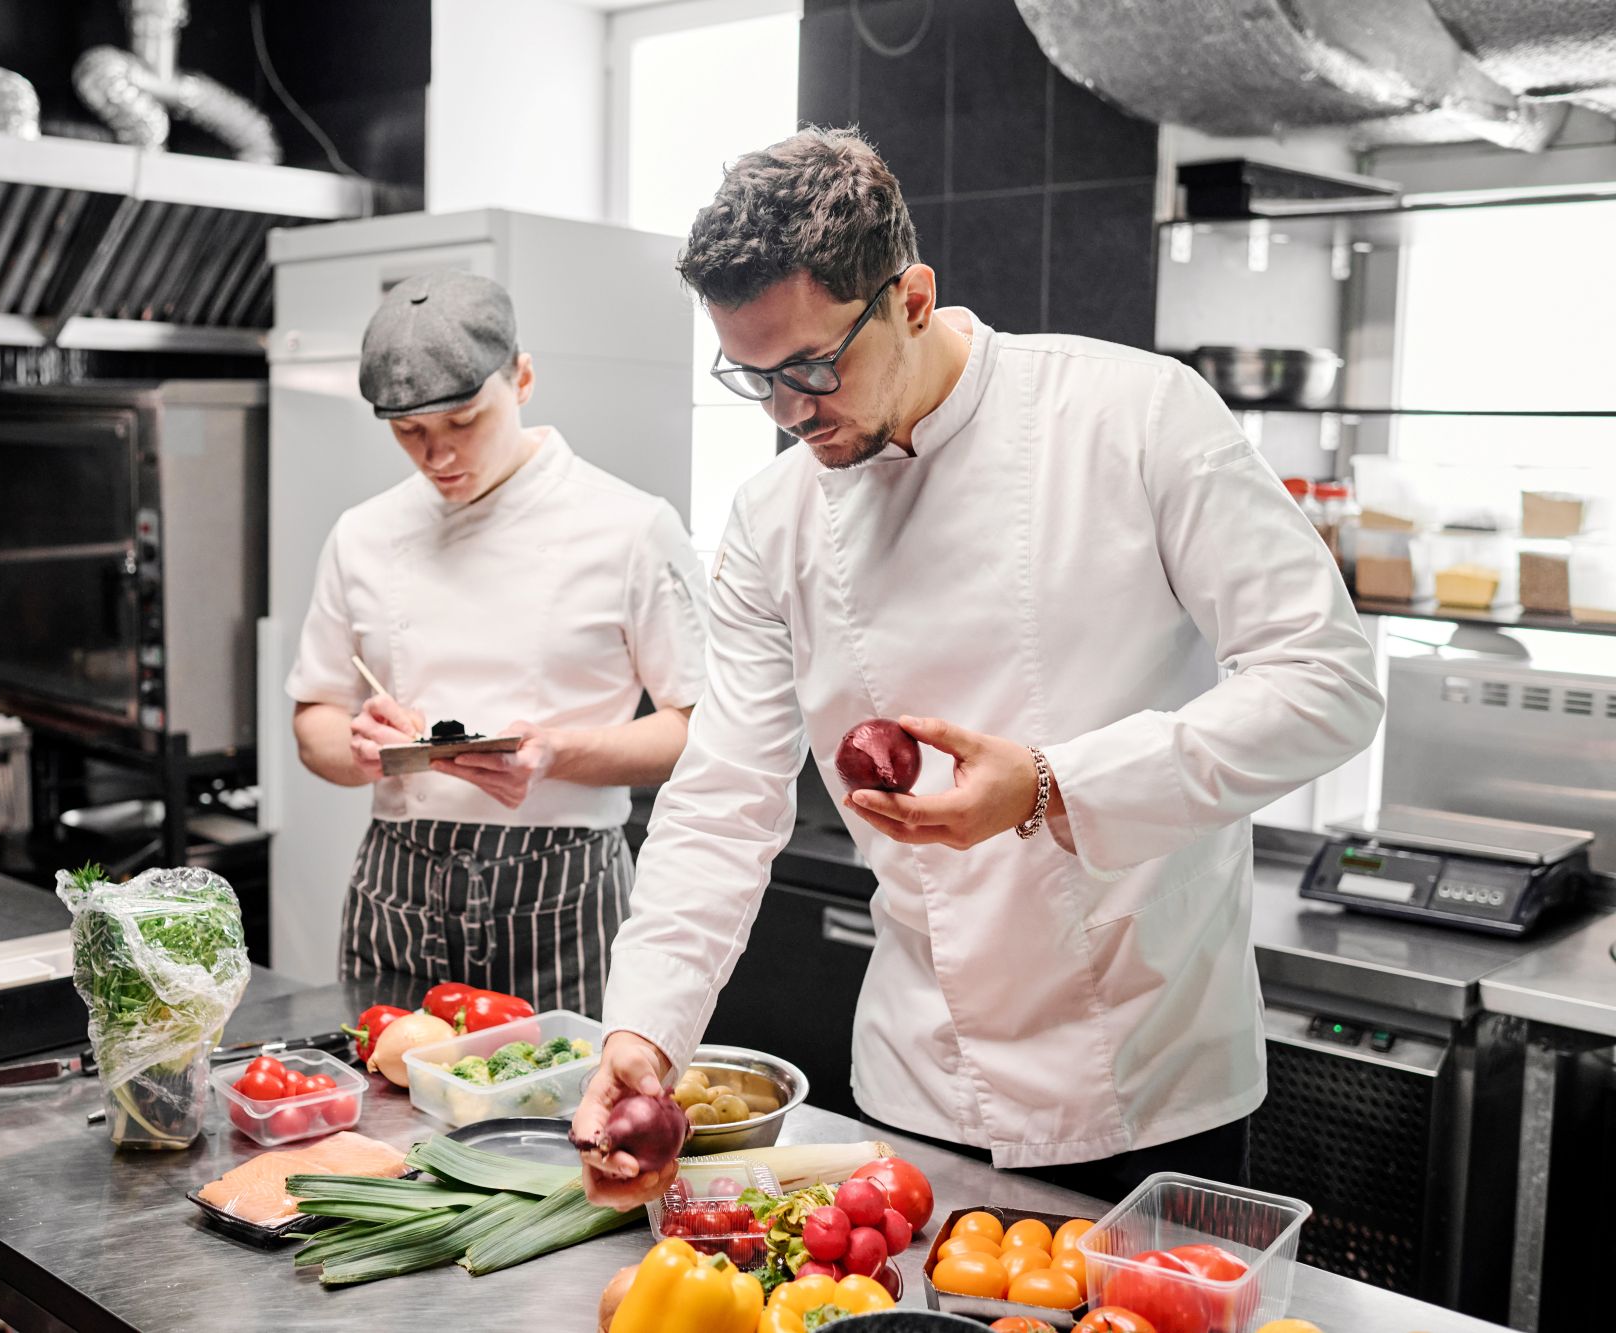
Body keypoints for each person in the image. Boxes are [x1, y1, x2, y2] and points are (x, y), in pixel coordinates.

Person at [573, 129, 1384, 1206]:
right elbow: (722, 798)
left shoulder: (1133, 417)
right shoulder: (772, 518)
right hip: (920, 1075)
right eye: (752, 379)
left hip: (1145, 1072)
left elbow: (1324, 682)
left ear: (911, 297)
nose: (789, 414)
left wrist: (1054, 787)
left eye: (813, 366)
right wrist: (644, 1027)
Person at [286, 270, 708, 1014]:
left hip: (563, 891)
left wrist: (556, 753)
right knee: (386, 1116)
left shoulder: (631, 528)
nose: (438, 455)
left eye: (463, 422)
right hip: (398, 883)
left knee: (564, 1119)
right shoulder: (363, 533)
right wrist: (357, 750)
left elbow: (701, 729)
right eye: (410, 432)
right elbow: (314, 716)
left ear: (523, 377)